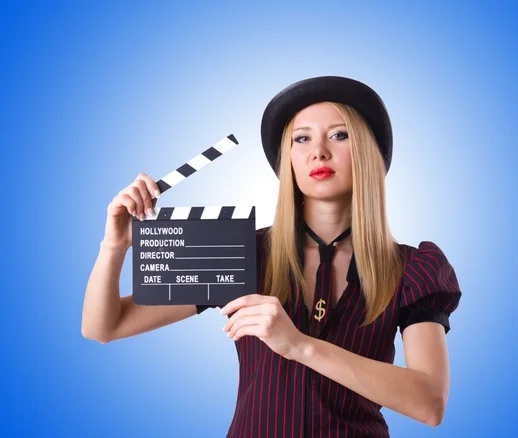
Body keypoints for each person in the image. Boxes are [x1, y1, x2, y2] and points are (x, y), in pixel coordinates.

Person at [82, 75, 462, 437]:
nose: (319, 151)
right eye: (301, 138)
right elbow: (104, 327)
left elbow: (429, 403)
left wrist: (299, 345)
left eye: (339, 135)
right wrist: (114, 246)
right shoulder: (238, 248)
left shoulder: (413, 268)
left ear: (366, 152)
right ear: (287, 159)